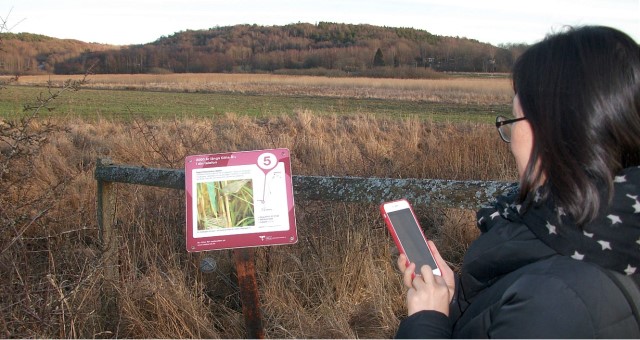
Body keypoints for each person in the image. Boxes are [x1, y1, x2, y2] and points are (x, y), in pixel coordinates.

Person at [395, 25, 640, 338]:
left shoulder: (554, 302)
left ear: (557, 129)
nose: (510, 141)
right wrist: (454, 303)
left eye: (513, 119)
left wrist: (426, 320)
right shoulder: (607, 231)